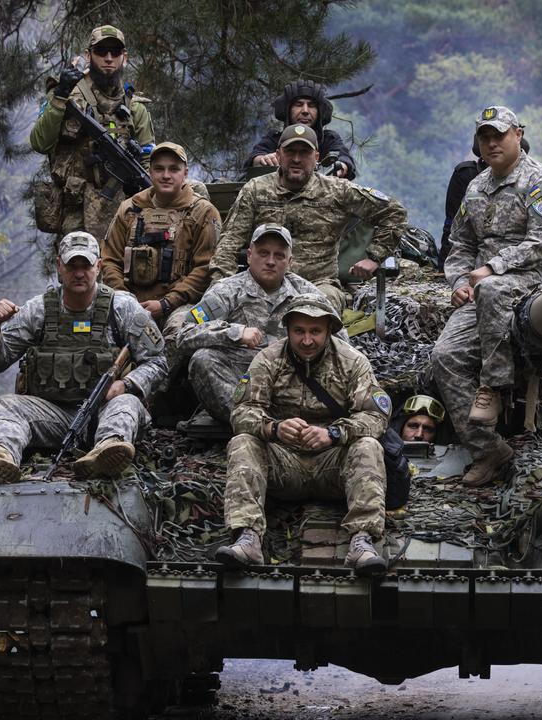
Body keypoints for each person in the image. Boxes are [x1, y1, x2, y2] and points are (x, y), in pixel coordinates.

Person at [0, 232, 168, 482]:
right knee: (5, 404)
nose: (78, 273)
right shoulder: (39, 310)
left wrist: (126, 384)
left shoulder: (122, 308)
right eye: (71, 266)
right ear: (58, 267)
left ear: (98, 267)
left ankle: (106, 453)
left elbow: (158, 361)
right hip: (53, 417)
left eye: (85, 265)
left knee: (127, 403)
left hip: (104, 414)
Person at [430, 105, 542, 487]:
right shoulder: (476, 186)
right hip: (483, 284)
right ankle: (488, 449)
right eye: (485, 137)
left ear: (518, 134)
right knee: (444, 356)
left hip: (537, 277)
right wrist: (459, 280)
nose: (491, 143)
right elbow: (459, 243)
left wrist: (493, 267)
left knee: (491, 288)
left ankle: (492, 386)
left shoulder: (540, 181)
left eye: (499, 135)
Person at [215, 295, 390, 574]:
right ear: (288, 330)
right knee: (243, 442)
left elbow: (376, 416)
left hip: (332, 465)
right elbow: (242, 411)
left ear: (328, 330)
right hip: (284, 465)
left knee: (368, 445)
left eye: (315, 331)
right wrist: (273, 428)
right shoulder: (268, 359)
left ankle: (363, 540)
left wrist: (334, 433)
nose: (307, 340)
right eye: (299, 331)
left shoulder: (353, 362)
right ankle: (247, 537)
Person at [210, 123, 406, 313]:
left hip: (318, 284)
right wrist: (222, 287)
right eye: (290, 152)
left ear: (316, 158)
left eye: (304, 152)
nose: (296, 158)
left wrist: (374, 258)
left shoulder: (337, 190)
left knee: (313, 315)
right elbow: (229, 243)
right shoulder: (256, 189)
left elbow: (394, 212)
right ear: (278, 155)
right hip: (263, 283)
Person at [173, 223, 333, 423]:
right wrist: (235, 333)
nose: (271, 261)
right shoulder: (227, 291)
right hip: (244, 381)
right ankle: (256, 424)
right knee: (203, 359)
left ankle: (302, 421)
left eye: (279, 255)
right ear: (249, 256)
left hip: (296, 377)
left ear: (290, 261)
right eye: (263, 253)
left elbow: (340, 341)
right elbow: (185, 335)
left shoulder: (307, 293)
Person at [28, 25, 153, 241]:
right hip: (76, 213)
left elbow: (148, 159)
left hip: (124, 212)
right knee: (79, 274)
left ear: (124, 57)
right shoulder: (65, 95)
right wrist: (60, 96)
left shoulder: (135, 108)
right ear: (88, 55)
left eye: (115, 52)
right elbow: (39, 142)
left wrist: (141, 186)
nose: (108, 58)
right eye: (101, 51)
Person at [100, 141, 221, 335]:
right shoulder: (129, 209)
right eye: (159, 169)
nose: (166, 175)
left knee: (180, 332)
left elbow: (205, 268)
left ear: (185, 174)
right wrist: (126, 299)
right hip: (129, 302)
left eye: (174, 169)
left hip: (180, 305)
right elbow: (109, 260)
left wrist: (166, 303)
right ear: (150, 172)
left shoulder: (204, 213)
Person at [438, 137, 542, 267]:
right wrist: (450, 268)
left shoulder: (537, 179)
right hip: (481, 258)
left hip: (528, 263)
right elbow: (455, 227)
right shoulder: (471, 179)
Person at [245, 80, 357, 179]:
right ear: (287, 110)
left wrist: (341, 166)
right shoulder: (275, 139)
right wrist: (262, 160)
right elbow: (254, 158)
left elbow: (343, 157)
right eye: (298, 104)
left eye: (311, 105)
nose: (305, 111)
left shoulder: (328, 140)